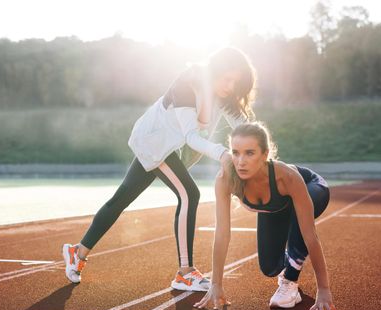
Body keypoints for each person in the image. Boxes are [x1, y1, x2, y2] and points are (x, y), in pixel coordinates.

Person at [62, 47, 256, 292]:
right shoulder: (188, 84)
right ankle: (185, 273)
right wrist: (223, 154)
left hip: (167, 145)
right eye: (227, 78)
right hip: (156, 142)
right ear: (215, 70)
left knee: (121, 198)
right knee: (189, 194)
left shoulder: (223, 94)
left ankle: (77, 252)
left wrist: (261, 156)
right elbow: (192, 137)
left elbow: (246, 129)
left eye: (235, 82)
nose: (230, 86)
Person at [194, 122, 340, 310]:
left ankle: (290, 282)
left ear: (265, 154)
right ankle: (290, 261)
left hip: (312, 188)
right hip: (278, 207)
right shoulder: (225, 179)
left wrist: (323, 289)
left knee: (300, 227)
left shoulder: (286, 176)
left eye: (250, 153)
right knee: (270, 267)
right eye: (236, 153)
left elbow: (310, 236)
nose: (241, 161)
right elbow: (222, 233)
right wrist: (216, 284)